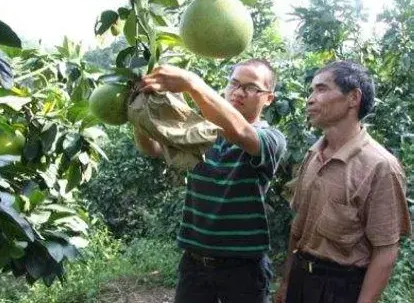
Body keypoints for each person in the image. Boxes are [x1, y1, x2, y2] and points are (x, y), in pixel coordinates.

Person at [135, 59, 287, 303]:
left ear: (268, 98)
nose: (238, 92)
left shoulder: (271, 140)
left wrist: (193, 84)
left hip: (243, 270)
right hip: (194, 264)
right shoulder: (201, 133)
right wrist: (139, 109)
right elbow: (151, 148)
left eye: (250, 87)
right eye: (234, 83)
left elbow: (240, 133)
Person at [274, 61, 412, 303]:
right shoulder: (313, 155)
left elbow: (385, 250)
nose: (310, 99)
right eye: (311, 90)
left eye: (322, 89)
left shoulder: (380, 166)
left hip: (341, 289)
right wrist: (286, 282)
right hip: (301, 279)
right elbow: (298, 229)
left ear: (353, 98)